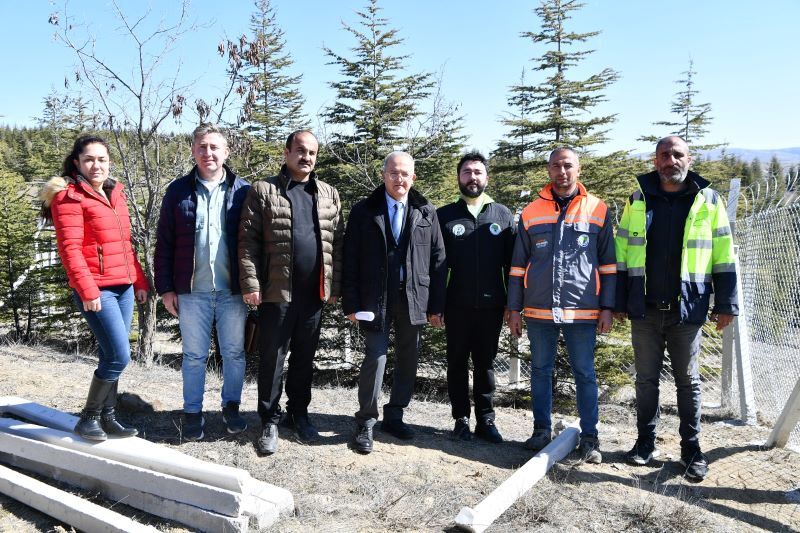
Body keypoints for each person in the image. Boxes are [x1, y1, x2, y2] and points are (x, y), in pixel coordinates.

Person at [615, 135, 737, 481]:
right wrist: (620, 301)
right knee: (646, 381)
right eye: (664, 155)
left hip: (689, 308)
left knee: (688, 382)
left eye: (677, 154)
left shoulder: (709, 201)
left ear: (689, 158)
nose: (671, 160)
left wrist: (726, 303)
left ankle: (691, 449)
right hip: (646, 308)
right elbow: (623, 253)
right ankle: (645, 443)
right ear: (655, 162)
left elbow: (724, 255)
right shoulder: (637, 199)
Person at [507, 147, 615, 464]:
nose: (562, 171)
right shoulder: (530, 213)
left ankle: (591, 440)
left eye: (568, 165)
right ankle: (541, 432)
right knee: (540, 372)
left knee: (585, 374)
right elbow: (516, 267)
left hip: (583, 311)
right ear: (549, 170)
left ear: (578, 169)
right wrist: (514, 309)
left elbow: (608, 265)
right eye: (556, 166)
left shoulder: (597, 209)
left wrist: (607, 306)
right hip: (539, 312)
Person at [238, 130, 343, 455]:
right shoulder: (264, 190)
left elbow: (337, 244)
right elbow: (247, 242)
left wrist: (334, 286)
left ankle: (300, 413)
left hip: (314, 295)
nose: (306, 157)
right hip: (276, 293)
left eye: (312, 152)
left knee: (304, 359)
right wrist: (251, 284)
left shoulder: (328, 193)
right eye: (300, 150)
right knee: (272, 359)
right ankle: (269, 419)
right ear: (286, 152)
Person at [40, 134, 149, 441]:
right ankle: (87, 418)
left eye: (102, 159)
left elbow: (124, 245)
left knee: (109, 354)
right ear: (77, 163)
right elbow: (70, 250)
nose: (96, 165)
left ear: (109, 162)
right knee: (119, 355)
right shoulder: (69, 197)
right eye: (89, 159)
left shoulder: (115, 193)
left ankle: (108, 417)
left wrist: (138, 280)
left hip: (124, 287)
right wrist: (87, 290)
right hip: (97, 289)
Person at [342, 151, 447, 454]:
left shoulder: (427, 211)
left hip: (414, 297)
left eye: (404, 174)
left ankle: (396, 414)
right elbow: (350, 258)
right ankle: (365, 421)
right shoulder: (364, 211)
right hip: (375, 297)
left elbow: (439, 259)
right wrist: (351, 301)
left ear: (413, 177)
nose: (399, 179)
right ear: (383, 175)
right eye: (393, 173)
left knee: (408, 357)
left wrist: (436, 305)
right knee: (376, 357)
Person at [154, 123, 250, 441]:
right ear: (193, 151)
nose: (208, 153)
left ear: (225, 151)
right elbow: (164, 243)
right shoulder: (177, 191)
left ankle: (231, 407)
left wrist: (254, 286)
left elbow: (256, 244)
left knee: (234, 354)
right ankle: (192, 412)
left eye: (214, 147)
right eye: (202, 147)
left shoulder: (244, 191)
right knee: (194, 355)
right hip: (191, 290)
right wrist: (166, 288)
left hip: (232, 291)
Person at [437, 151, 514, 443]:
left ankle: (486, 419)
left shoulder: (503, 215)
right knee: (456, 363)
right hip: (455, 305)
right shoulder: (444, 216)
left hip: (492, 306)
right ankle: (460, 419)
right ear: (459, 177)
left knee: (486, 364)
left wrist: (512, 303)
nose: (472, 177)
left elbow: (512, 265)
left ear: (486, 177)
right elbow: (437, 266)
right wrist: (437, 304)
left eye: (477, 172)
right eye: (467, 172)